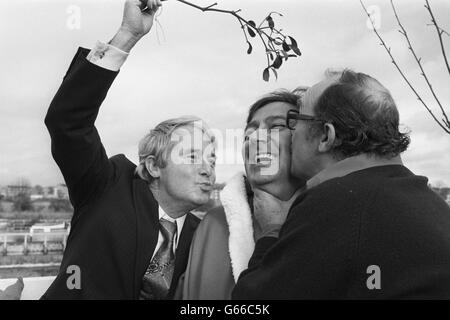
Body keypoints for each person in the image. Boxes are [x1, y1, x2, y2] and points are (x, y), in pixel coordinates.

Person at [42, 0, 216, 299]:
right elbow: (68, 121)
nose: (207, 169)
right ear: (153, 166)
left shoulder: (207, 236)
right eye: (191, 155)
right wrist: (128, 34)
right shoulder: (106, 185)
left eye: (212, 159)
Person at [232, 69, 450, 299]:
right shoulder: (430, 202)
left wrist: (272, 232)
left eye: (295, 121)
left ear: (326, 136)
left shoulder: (337, 203)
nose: (292, 132)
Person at [178, 89, 306, 299]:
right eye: (248, 134)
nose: (256, 138)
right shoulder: (214, 223)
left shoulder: (334, 219)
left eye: (277, 126)